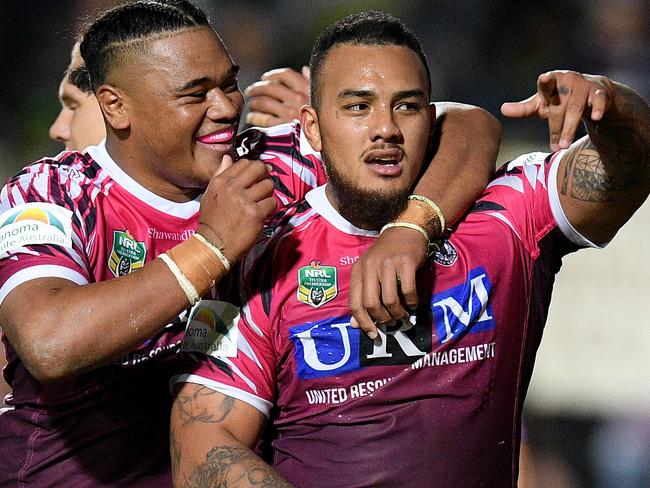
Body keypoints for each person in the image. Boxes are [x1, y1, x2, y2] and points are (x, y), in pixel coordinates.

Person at [0, 2, 499, 486]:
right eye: (195, 95)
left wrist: (411, 227)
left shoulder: (270, 165)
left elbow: (467, 125)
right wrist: (211, 248)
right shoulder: (54, 193)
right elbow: (48, 342)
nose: (226, 109)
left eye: (229, 84)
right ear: (116, 106)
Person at [169, 10, 650, 487]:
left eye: (407, 106)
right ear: (312, 128)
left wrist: (613, 106)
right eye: (358, 107)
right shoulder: (259, 260)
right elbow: (202, 445)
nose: (386, 129)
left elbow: (630, 169)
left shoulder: (507, 216)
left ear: (431, 116)